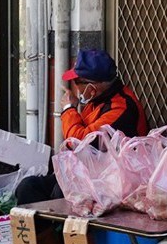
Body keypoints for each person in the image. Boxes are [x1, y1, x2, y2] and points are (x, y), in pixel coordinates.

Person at [13, 48, 149, 206]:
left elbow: (78, 142)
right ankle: (37, 230)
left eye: (78, 82)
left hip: (113, 182)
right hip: (88, 171)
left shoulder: (122, 108)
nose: (75, 87)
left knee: (61, 193)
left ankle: (58, 230)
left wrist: (68, 109)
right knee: (27, 187)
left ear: (92, 87)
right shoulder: (97, 101)